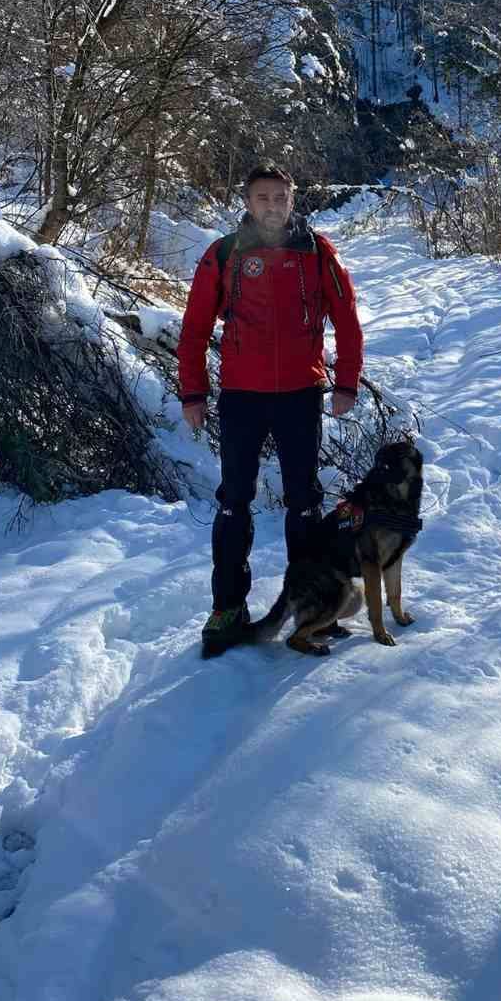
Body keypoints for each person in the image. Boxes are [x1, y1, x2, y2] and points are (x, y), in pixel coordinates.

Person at [177, 165, 364, 654]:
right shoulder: (224, 254)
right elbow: (195, 328)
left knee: (304, 502)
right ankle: (227, 607)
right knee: (233, 501)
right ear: (247, 201)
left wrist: (346, 382)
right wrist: (193, 393)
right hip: (242, 395)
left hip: (301, 394)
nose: (273, 206)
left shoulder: (318, 252)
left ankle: (312, 606)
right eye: (263, 197)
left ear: (292, 200)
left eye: (281, 197)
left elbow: (347, 320)